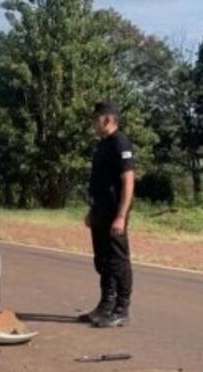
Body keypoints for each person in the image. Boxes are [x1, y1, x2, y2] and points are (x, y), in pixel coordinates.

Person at [80, 101, 135, 328]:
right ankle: (105, 306)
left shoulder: (120, 142)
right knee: (103, 260)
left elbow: (128, 181)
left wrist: (121, 215)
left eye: (96, 119)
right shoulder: (102, 144)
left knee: (117, 261)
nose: (93, 123)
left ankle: (121, 309)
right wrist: (92, 211)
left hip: (114, 213)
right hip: (100, 211)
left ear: (108, 119)